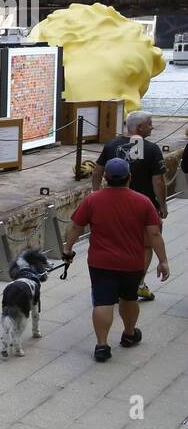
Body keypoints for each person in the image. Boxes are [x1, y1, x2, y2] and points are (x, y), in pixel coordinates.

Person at [64, 158, 169, 362]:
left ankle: (102, 346)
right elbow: (154, 234)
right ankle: (129, 334)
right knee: (129, 298)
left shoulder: (92, 200)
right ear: (129, 178)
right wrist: (162, 260)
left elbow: (76, 227)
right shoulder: (143, 201)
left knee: (103, 301)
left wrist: (67, 249)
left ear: (105, 178)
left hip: (100, 261)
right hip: (132, 262)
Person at [93, 111, 167, 300]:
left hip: (113, 205)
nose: (152, 127)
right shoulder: (151, 149)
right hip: (144, 206)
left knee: (117, 242)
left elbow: (97, 170)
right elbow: (158, 181)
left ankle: (116, 282)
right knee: (146, 245)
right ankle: (137, 283)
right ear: (140, 127)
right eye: (150, 124)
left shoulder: (110, 146)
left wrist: (96, 193)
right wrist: (163, 205)